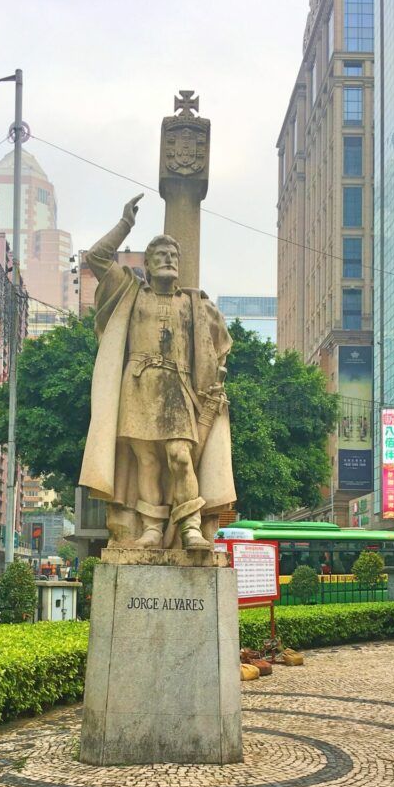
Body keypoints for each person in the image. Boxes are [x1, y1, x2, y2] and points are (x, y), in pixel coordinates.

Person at [78, 193, 235, 550]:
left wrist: (215, 382)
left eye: (174, 256)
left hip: (177, 387)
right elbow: (96, 257)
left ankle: (190, 526)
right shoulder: (130, 292)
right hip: (138, 385)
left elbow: (221, 347)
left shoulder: (194, 303)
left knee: (180, 456)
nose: (169, 260)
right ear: (147, 264)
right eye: (161, 255)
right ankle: (151, 528)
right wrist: (125, 225)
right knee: (146, 461)